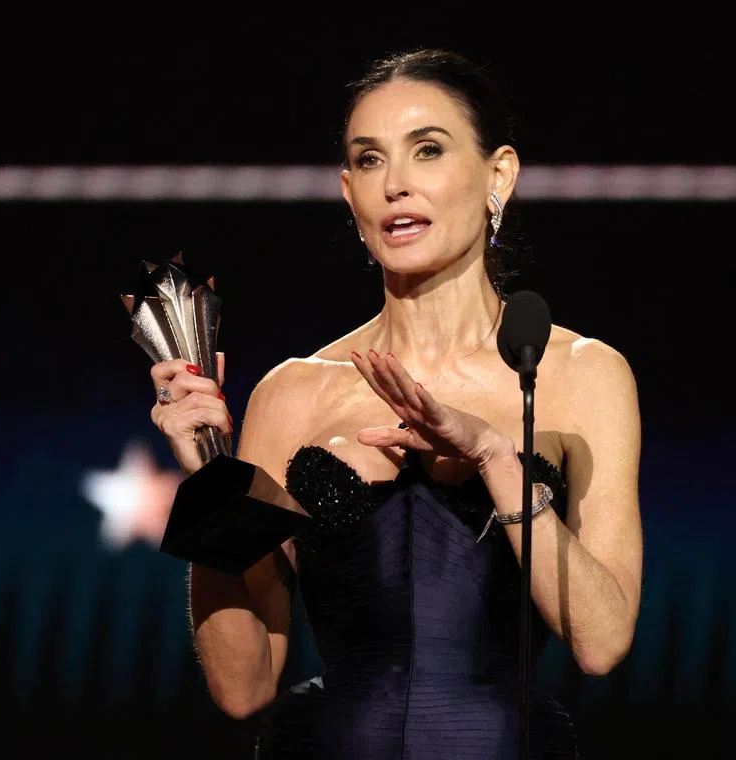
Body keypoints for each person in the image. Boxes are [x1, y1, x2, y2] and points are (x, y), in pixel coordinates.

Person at [148, 48, 643, 759]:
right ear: (349, 193)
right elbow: (243, 685)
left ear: (498, 174)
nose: (397, 185)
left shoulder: (579, 376)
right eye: (371, 161)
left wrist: (493, 455)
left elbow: (602, 642)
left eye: (428, 150)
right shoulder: (293, 393)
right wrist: (210, 478)